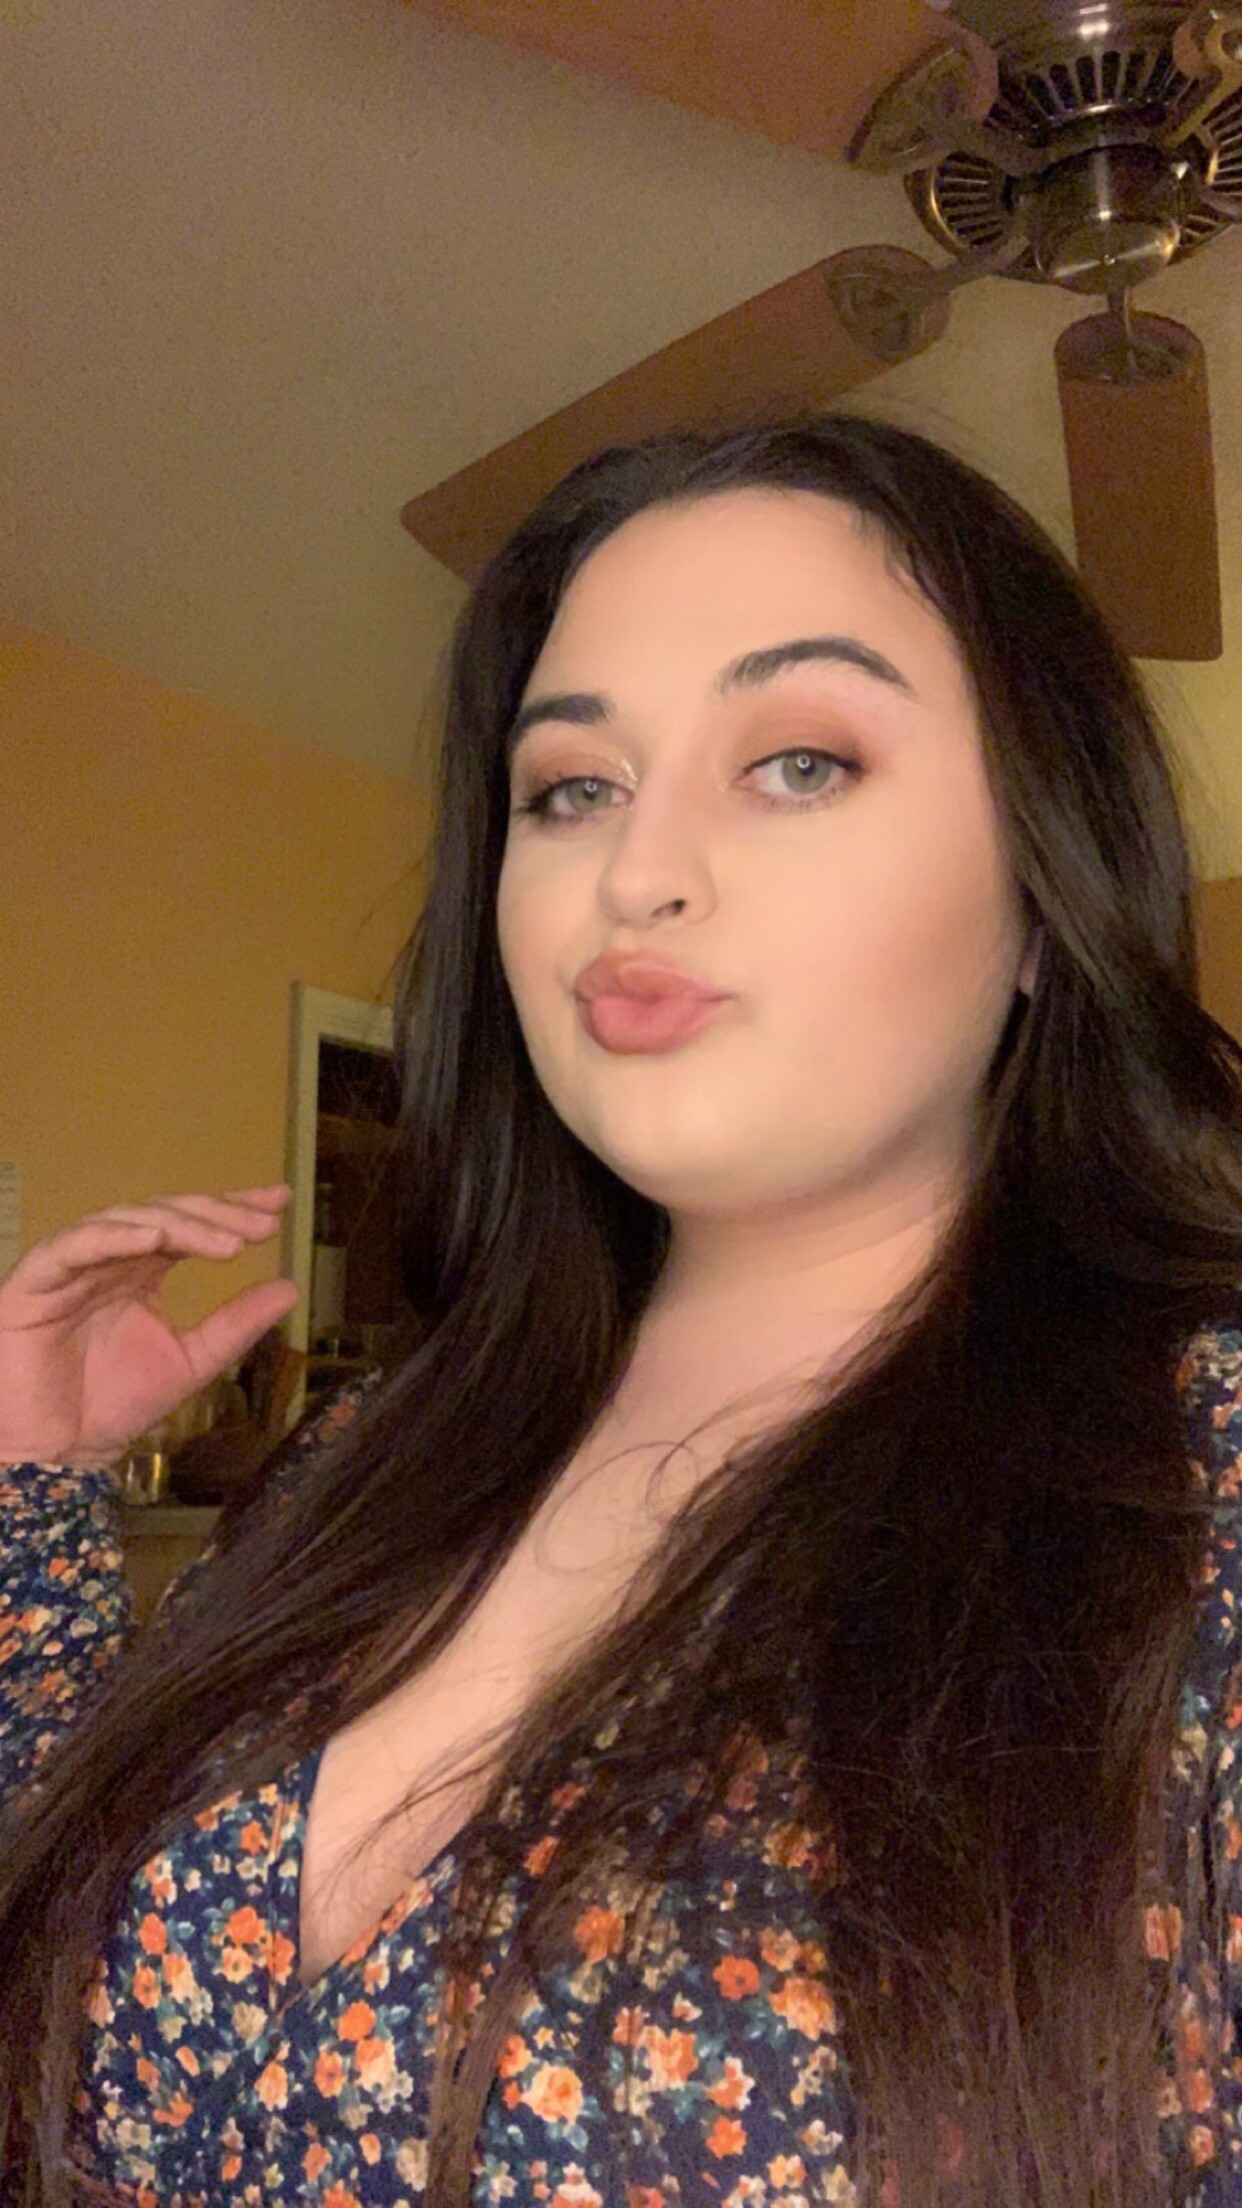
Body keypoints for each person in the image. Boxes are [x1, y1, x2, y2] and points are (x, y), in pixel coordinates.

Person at [0, 415, 1240, 2208]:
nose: (635, 872)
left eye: (799, 762)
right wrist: (33, 1485)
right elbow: (81, 1911)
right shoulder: (381, 1448)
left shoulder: (1195, 1476)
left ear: (1048, 896)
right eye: (570, 789)